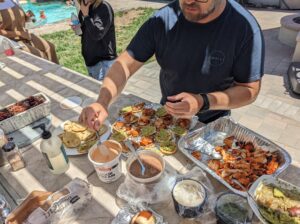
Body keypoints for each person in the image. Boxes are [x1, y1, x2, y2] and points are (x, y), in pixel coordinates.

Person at [79, 0, 265, 130]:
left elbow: (249, 89)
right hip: (167, 115)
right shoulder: (161, 20)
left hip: (213, 121)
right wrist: (102, 102)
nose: (189, 2)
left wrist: (203, 101)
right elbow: (124, 65)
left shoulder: (244, 28)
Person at [73, 0, 117, 81]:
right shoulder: (84, 9)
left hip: (103, 62)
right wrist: (77, 29)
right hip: (90, 61)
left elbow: (97, 34)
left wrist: (86, 15)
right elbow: (85, 33)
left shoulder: (103, 7)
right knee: (95, 91)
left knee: (104, 92)